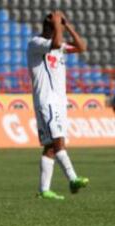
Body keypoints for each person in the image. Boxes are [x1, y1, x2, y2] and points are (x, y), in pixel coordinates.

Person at [27, 11, 89, 200]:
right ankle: (73, 178)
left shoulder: (59, 46)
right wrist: (57, 26)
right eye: (56, 25)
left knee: (50, 147)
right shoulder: (36, 43)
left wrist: (67, 24)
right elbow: (54, 43)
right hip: (47, 101)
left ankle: (44, 190)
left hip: (59, 102)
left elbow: (81, 47)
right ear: (50, 27)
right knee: (58, 140)